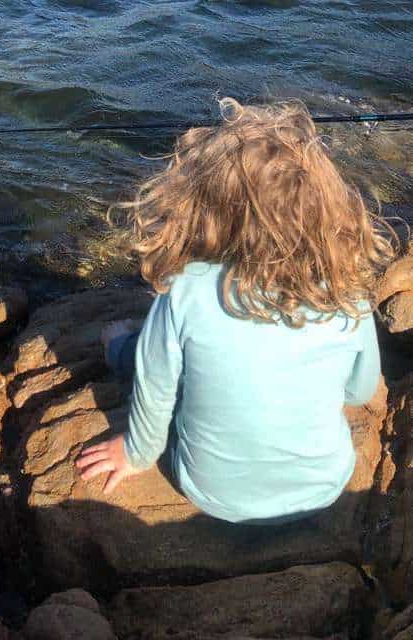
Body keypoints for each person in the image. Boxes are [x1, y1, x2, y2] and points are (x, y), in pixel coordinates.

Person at [77, 98, 395, 523]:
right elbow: (358, 391)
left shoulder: (187, 290)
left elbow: (155, 391)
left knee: (137, 351)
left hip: (212, 492)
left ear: (205, 207)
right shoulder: (346, 288)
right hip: (323, 487)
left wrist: (135, 454)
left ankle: (117, 345)